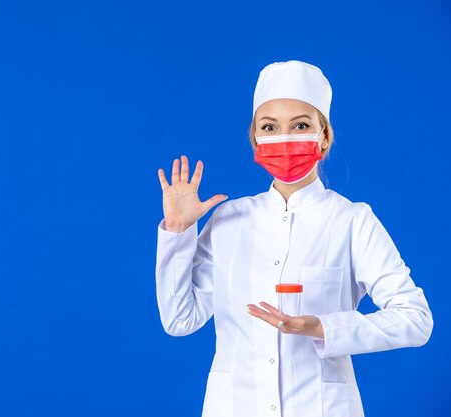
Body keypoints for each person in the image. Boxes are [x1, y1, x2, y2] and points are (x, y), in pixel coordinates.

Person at [154, 60, 433, 417]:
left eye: (300, 125)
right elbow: (180, 320)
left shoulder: (351, 220)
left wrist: (323, 327)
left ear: (324, 136)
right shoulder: (228, 220)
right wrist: (178, 232)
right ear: (255, 138)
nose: (284, 138)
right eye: (269, 127)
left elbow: (416, 318)